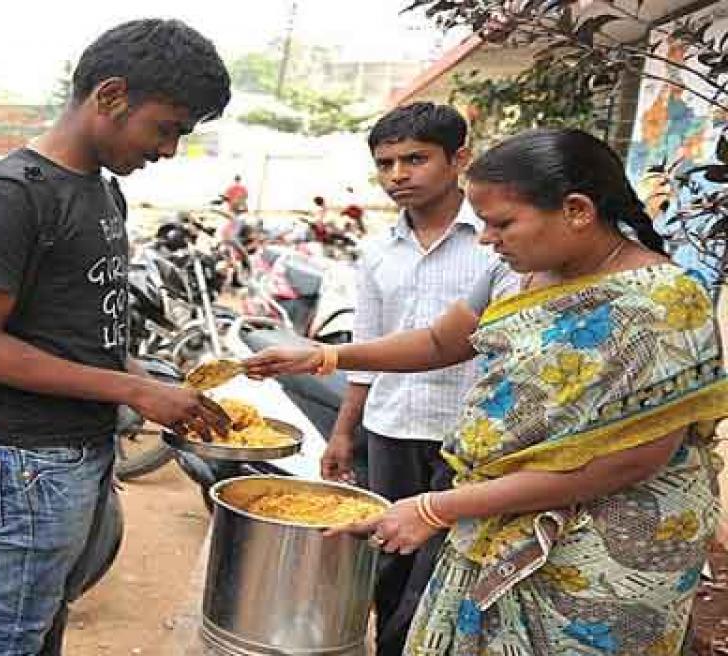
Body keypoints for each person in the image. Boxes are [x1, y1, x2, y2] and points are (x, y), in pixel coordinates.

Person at [246, 128, 727, 656]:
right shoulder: (523, 273)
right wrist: (325, 356)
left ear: (577, 210)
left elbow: (627, 463)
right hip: (498, 514)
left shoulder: (663, 304)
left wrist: (437, 507)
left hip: (604, 555)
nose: (486, 239)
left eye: (501, 223)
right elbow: (439, 341)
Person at [0, 18, 232, 655]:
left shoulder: (103, 194)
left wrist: (150, 382)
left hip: (81, 448)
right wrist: (131, 387)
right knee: (6, 637)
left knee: (42, 622)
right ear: (110, 96)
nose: (167, 151)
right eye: (167, 129)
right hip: (28, 461)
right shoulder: (10, 195)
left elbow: (80, 333)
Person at [317, 102, 517, 656]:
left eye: (415, 159)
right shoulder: (378, 250)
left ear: (459, 159)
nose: (398, 175)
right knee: (388, 556)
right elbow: (367, 348)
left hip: (472, 438)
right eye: (385, 164)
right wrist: (343, 433)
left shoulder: (499, 243)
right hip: (392, 427)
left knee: (444, 566)